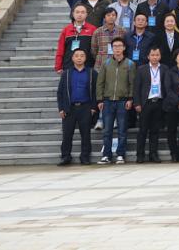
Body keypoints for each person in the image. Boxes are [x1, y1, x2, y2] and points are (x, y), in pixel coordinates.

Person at [95, 37, 134, 165]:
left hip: (123, 101)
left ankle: (120, 154)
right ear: (112, 48)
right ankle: (106, 155)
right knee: (107, 130)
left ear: (124, 48)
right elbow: (100, 82)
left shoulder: (130, 64)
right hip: (107, 101)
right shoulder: (106, 64)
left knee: (122, 130)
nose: (117, 48)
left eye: (119, 46)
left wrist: (130, 98)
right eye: (115, 46)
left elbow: (132, 83)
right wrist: (100, 99)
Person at [57, 48, 98, 166]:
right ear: (72, 58)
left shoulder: (92, 73)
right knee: (67, 134)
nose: (79, 58)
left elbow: (96, 91)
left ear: (85, 58)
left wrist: (93, 107)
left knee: (85, 134)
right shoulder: (66, 73)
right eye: (76, 56)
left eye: (82, 55)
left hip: (86, 107)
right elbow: (60, 92)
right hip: (69, 108)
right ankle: (65, 156)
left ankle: (85, 157)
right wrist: (61, 108)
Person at [132, 46, 170, 163]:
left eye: (157, 55)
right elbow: (136, 88)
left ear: (160, 56)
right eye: (152, 55)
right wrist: (137, 103)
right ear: (148, 56)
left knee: (155, 130)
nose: (155, 57)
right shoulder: (141, 69)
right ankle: (140, 155)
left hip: (159, 102)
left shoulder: (164, 68)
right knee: (142, 130)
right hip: (145, 103)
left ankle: (153, 154)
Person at [55, 4, 97, 73]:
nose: (80, 14)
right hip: (69, 65)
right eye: (77, 12)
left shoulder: (93, 29)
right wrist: (58, 66)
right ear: (73, 14)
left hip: (88, 66)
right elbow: (60, 49)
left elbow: (96, 49)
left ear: (86, 14)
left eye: (82, 12)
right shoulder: (66, 30)